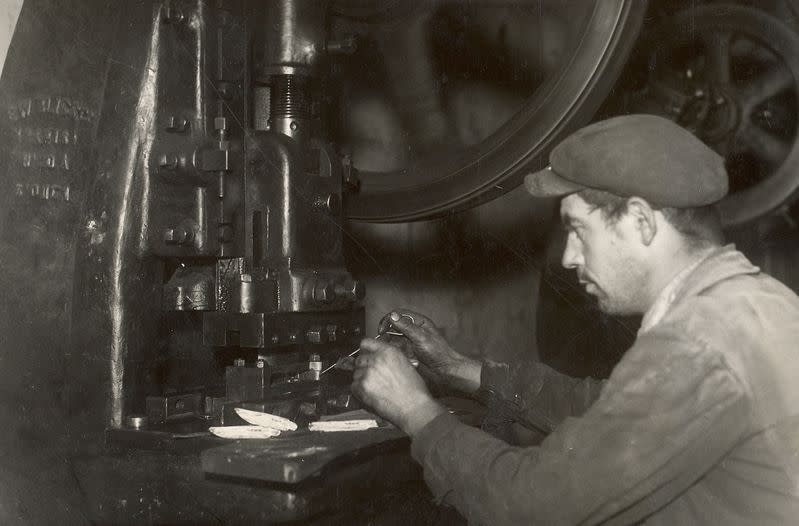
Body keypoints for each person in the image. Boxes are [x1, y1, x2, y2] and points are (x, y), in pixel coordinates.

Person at [351, 114, 799, 525]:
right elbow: (610, 413)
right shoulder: (753, 303)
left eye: (579, 230)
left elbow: (534, 506)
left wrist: (416, 412)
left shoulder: (697, 343)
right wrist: (459, 370)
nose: (568, 257)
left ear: (641, 221)